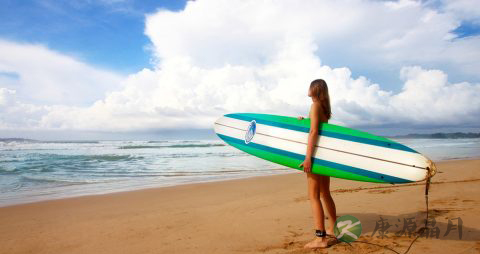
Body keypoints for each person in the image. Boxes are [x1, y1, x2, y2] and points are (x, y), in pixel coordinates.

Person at [298, 79, 337, 249]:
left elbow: (314, 131)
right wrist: (303, 120)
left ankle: (320, 238)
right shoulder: (323, 108)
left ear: (314, 89)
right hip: (324, 155)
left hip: (315, 156)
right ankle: (334, 229)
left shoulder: (315, 106)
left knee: (313, 196)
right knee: (325, 194)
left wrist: (308, 158)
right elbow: (316, 127)